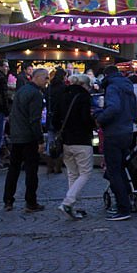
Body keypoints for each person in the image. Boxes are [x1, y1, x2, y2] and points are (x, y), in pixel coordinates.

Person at [3, 68, 49, 213]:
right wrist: (40, 140)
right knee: (31, 171)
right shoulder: (35, 94)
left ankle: (8, 200)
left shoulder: (21, 90)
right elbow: (34, 120)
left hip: (17, 135)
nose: (47, 81)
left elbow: (14, 113)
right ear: (38, 77)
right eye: (46, 78)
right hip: (28, 137)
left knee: (14, 168)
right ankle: (31, 202)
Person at [94, 66, 137, 221]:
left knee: (114, 171)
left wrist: (100, 119)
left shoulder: (112, 87)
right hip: (127, 131)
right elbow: (134, 110)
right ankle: (127, 201)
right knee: (121, 169)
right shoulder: (127, 86)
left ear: (106, 75)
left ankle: (123, 208)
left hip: (114, 132)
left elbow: (113, 108)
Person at [54, 74, 94, 220]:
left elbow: (55, 119)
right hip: (82, 139)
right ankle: (68, 202)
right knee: (85, 173)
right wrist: (93, 124)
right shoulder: (84, 97)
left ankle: (71, 206)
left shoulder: (63, 95)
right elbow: (85, 119)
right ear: (85, 85)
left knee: (72, 173)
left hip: (66, 140)